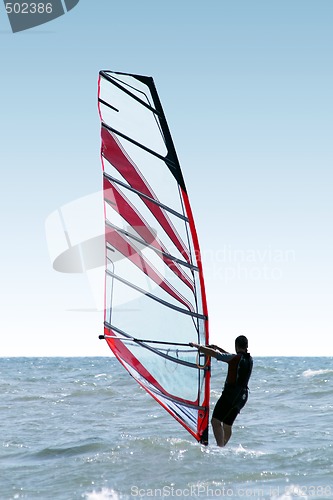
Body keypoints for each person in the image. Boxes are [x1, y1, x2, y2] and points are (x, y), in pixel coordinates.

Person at [190, 335, 253, 447]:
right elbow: (232, 357)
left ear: (236, 346)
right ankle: (222, 446)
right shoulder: (248, 359)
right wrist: (218, 347)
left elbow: (217, 355)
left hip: (230, 395)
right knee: (227, 425)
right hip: (242, 397)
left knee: (215, 422)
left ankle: (220, 448)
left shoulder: (235, 359)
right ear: (246, 346)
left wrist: (197, 346)